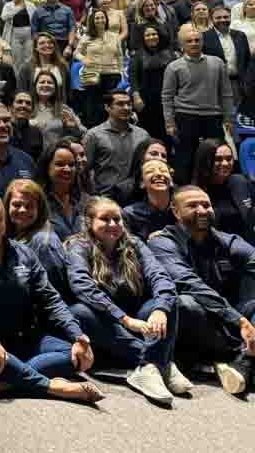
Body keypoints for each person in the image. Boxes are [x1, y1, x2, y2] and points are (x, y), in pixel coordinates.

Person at [0, 186, 103, 402]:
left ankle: (5, 382)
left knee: (76, 355)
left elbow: (49, 297)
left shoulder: (23, 253)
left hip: (22, 337)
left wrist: (77, 334)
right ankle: (51, 387)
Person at [64, 197, 187, 404]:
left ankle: (152, 365)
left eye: (117, 219)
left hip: (138, 324)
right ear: (89, 223)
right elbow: (82, 286)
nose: (113, 224)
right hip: (106, 326)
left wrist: (160, 309)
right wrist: (124, 319)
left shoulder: (135, 243)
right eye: (105, 219)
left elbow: (159, 275)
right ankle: (159, 362)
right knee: (78, 312)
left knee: (168, 300)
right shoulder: (78, 245)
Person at [148, 186, 255, 395]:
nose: (202, 210)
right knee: (186, 304)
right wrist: (239, 321)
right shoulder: (161, 242)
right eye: (192, 205)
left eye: (206, 205)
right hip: (203, 321)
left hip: (232, 319)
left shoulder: (228, 240)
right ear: (176, 212)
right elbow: (189, 283)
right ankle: (242, 355)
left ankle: (244, 361)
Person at [162, 24, 233, 184]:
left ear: (202, 42)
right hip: (186, 117)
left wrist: (229, 118)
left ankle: (215, 189)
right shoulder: (173, 67)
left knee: (215, 157)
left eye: (197, 40)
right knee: (185, 157)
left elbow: (226, 93)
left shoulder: (217, 63)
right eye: (189, 41)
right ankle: (184, 189)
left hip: (213, 117)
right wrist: (169, 122)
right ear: (182, 45)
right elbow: (167, 97)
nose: (194, 43)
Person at [190, 139, 255, 242]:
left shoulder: (241, 182)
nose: (225, 163)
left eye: (229, 159)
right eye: (218, 159)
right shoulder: (194, 193)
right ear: (205, 160)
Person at [129, 24, 175, 139]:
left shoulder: (170, 53)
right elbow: (133, 78)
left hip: (166, 99)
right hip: (145, 100)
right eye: (148, 35)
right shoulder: (137, 55)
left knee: (166, 132)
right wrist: (136, 97)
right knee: (148, 132)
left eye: (154, 34)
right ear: (143, 38)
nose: (151, 37)